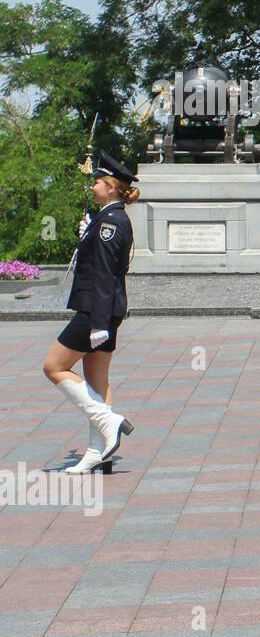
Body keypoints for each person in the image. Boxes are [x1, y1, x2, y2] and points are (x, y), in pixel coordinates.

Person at [43, 153, 139, 474]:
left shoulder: (110, 222)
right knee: (97, 384)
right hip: (106, 311)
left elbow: (104, 275)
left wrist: (97, 323)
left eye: (98, 181)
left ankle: (109, 423)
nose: (93, 185)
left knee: (54, 366)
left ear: (111, 187)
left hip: (94, 312)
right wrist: (89, 234)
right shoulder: (108, 219)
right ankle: (99, 453)